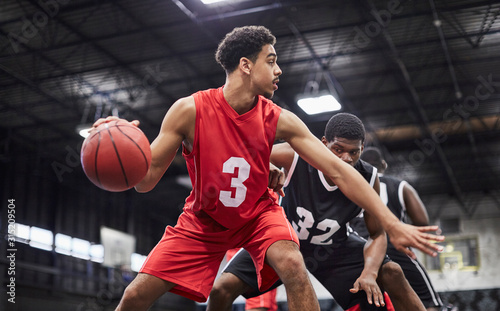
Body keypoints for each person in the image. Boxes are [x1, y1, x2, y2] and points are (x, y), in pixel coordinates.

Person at [92, 26, 443, 311]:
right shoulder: (190, 111)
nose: (279, 71)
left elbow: (338, 171)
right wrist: (124, 145)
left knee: (293, 264)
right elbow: (144, 182)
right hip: (202, 220)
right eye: (271, 61)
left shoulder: (281, 121)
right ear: (246, 65)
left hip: (258, 214)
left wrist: (392, 222)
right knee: (135, 297)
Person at [207, 113, 431, 311]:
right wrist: (267, 165)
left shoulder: (369, 177)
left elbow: (377, 234)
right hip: (283, 241)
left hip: (334, 248)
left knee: (393, 272)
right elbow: (243, 155)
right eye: (338, 149)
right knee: (221, 289)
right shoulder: (295, 156)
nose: (346, 158)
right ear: (324, 143)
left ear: (362, 148)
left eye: (354, 152)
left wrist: (370, 272)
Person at [348, 147, 443, 311]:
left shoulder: (349, 186)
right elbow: (422, 221)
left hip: (358, 250)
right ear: (383, 164)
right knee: (428, 302)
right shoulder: (400, 186)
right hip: (392, 244)